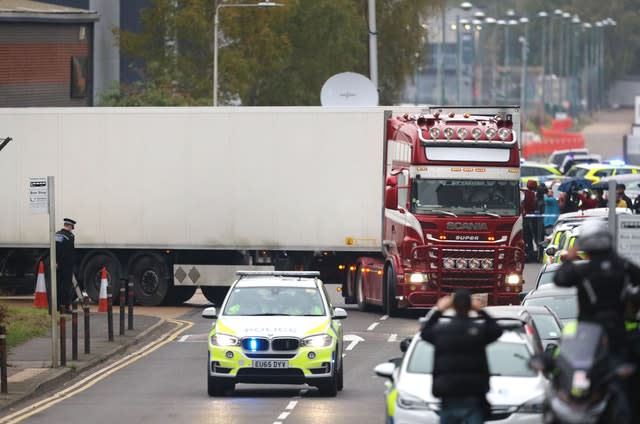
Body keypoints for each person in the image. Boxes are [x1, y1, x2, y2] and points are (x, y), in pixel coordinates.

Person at [554, 219, 640, 423]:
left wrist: (569, 258)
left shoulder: (584, 270)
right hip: (616, 335)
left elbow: (560, 279)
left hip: (591, 337)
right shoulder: (624, 267)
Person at [420, 289, 503, 424]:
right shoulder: (478, 331)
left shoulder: (442, 331)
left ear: (452, 306)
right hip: (474, 392)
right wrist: (481, 311)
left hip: (448, 392)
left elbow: (425, 332)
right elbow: (497, 330)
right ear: (470, 306)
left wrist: (438, 311)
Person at [55, 218, 76, 314]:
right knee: (66, 286)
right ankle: (66, 307)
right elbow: (69, 252)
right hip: (67, 265)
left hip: (58, 265)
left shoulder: (57, 234)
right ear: (70, 226)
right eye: (72, 227)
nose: (72, 229)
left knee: (58, 285)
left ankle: (58, 306)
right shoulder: (70, 236)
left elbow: (56, 249)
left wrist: (57, 261)